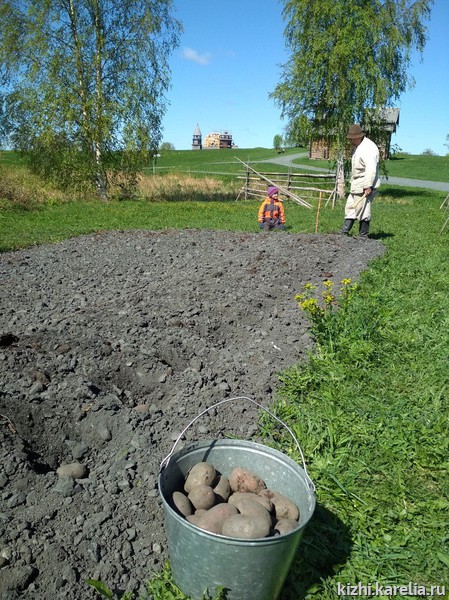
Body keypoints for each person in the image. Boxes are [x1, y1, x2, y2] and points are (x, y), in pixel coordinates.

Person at [340, 124, 380, 237]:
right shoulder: (358, 146)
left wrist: (368, 185)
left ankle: (363, 235)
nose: (350, 141)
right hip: (356, 183)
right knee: (351, 207)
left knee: (363, 209)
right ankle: (344, 231)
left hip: (365, 183)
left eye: (352, 139)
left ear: (358, 137)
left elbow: (371, 169)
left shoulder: (369, 148)